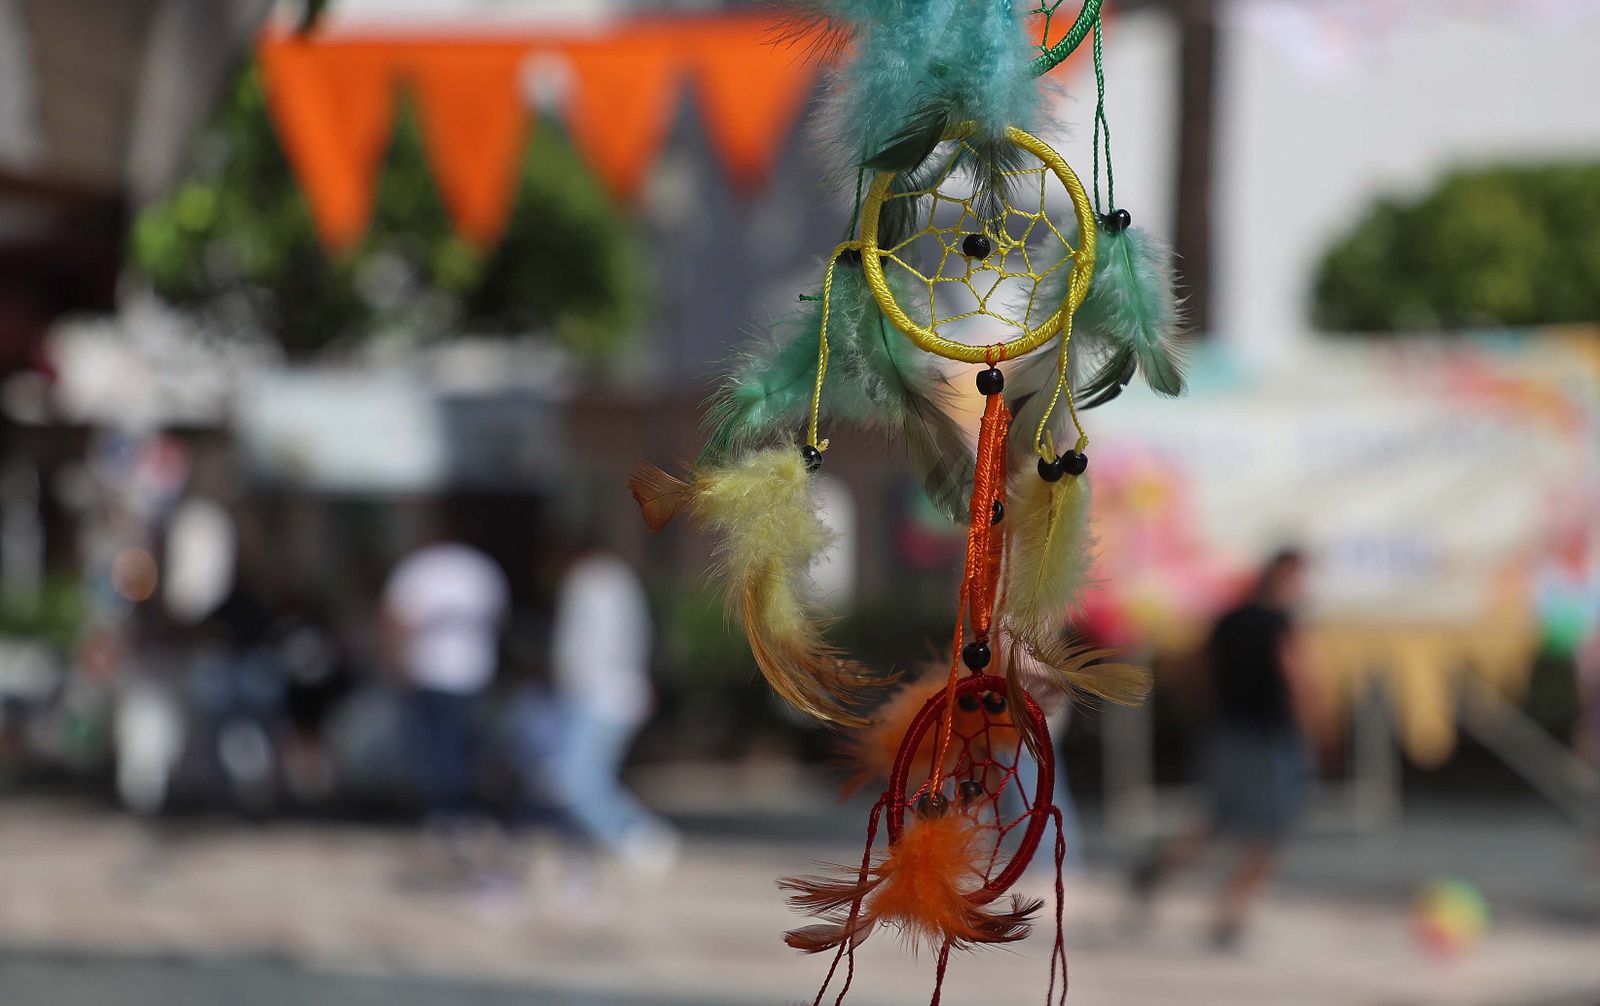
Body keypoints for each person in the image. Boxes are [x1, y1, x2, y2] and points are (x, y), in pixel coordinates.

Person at [1129, 548, 1321, 948]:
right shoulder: (1280, 623)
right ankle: (1230, 917)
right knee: (1271, 832)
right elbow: (1297, 678)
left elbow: (1193, 668)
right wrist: (1315, 731)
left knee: (1217, 818)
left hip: (1226, 732)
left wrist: (1205, 710)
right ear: (1287, 578)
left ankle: (1159, 869)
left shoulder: (1229, 620)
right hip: (1268, 738)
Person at [549, 536, 677, 874]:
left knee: (577, 781)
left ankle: (637, 835)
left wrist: (572, 683)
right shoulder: (616, 579)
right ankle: (585, 854)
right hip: (613, 691)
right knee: (590, 777)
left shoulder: (592, 581)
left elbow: (585, 647)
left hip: (599, 694)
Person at [381, 529, 509, 837]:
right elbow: (499, 618)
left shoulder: (420, 568)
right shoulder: (479, 568)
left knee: (439, 748)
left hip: (433, 673)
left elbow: (395, 620)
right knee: (460, 747)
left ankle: (447, 811)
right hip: (471, 673)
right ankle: (457, 810)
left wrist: (395, 663)